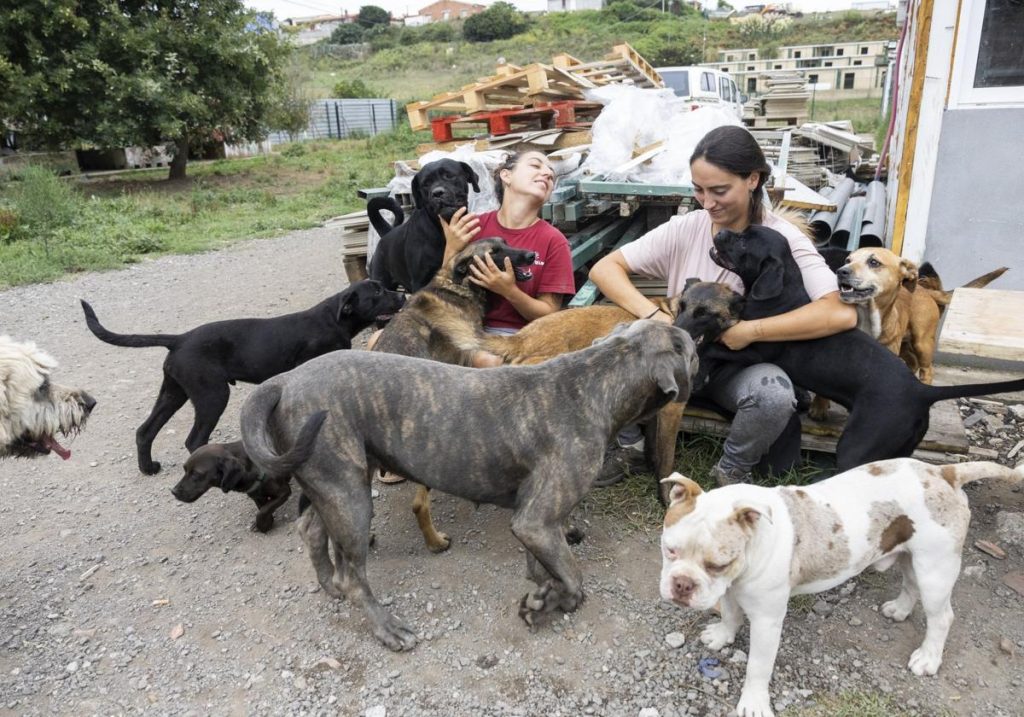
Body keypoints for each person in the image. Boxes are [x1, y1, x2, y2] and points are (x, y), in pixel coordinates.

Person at [589, 125, 858, 487]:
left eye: (719, 190)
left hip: (732, 367)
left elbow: (839, 312)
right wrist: (652, 314)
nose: (708, 202)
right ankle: (632, 448)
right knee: (604, 347)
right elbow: (605, 268)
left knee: (774, 394)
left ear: (752, 179)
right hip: (672, 360)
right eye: (698, 190)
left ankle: (731, 470)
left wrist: (750, 331)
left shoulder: (782, 239)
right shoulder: (686, 228)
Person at [441, 150, 576, 367]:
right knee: (378, 340)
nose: (547, 174)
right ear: (506, 176)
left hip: (519, 339)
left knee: (488, 361)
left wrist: (509, 291)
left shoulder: (554, 241)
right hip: (465, 328)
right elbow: (445, 291)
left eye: (551, 174)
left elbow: (550, 314)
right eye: (535, 165)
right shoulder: (472, 226)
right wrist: (451, 248)